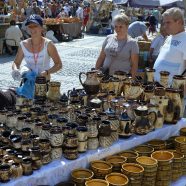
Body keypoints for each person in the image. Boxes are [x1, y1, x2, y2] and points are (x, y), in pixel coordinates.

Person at [12, 14, 62, 83]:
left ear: (41, 27)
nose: (32, 29)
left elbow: (58, 64)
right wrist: (15, 70)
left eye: (35, 26)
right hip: (27, 82)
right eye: (30, 26)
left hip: (43, 83)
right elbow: (16, 62)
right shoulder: (23, 44)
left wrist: (47, 72)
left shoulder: (48, 44)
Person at [95, 13, 139, 78]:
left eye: (121, 27)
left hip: (121, 79)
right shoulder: (108, 38)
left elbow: (134, 65)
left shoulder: (132, 43)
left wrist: (131, 81)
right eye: (116, 26)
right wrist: (96, 71)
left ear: (127, 27)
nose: (118, 29)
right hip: (105, 76)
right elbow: (101, 57)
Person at [153, 7, 186, 83]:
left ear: (179, 22)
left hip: (172, 91)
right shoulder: (170, 37)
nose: (165, 26)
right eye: (164, 23)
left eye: (168, 22)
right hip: (159, 87)